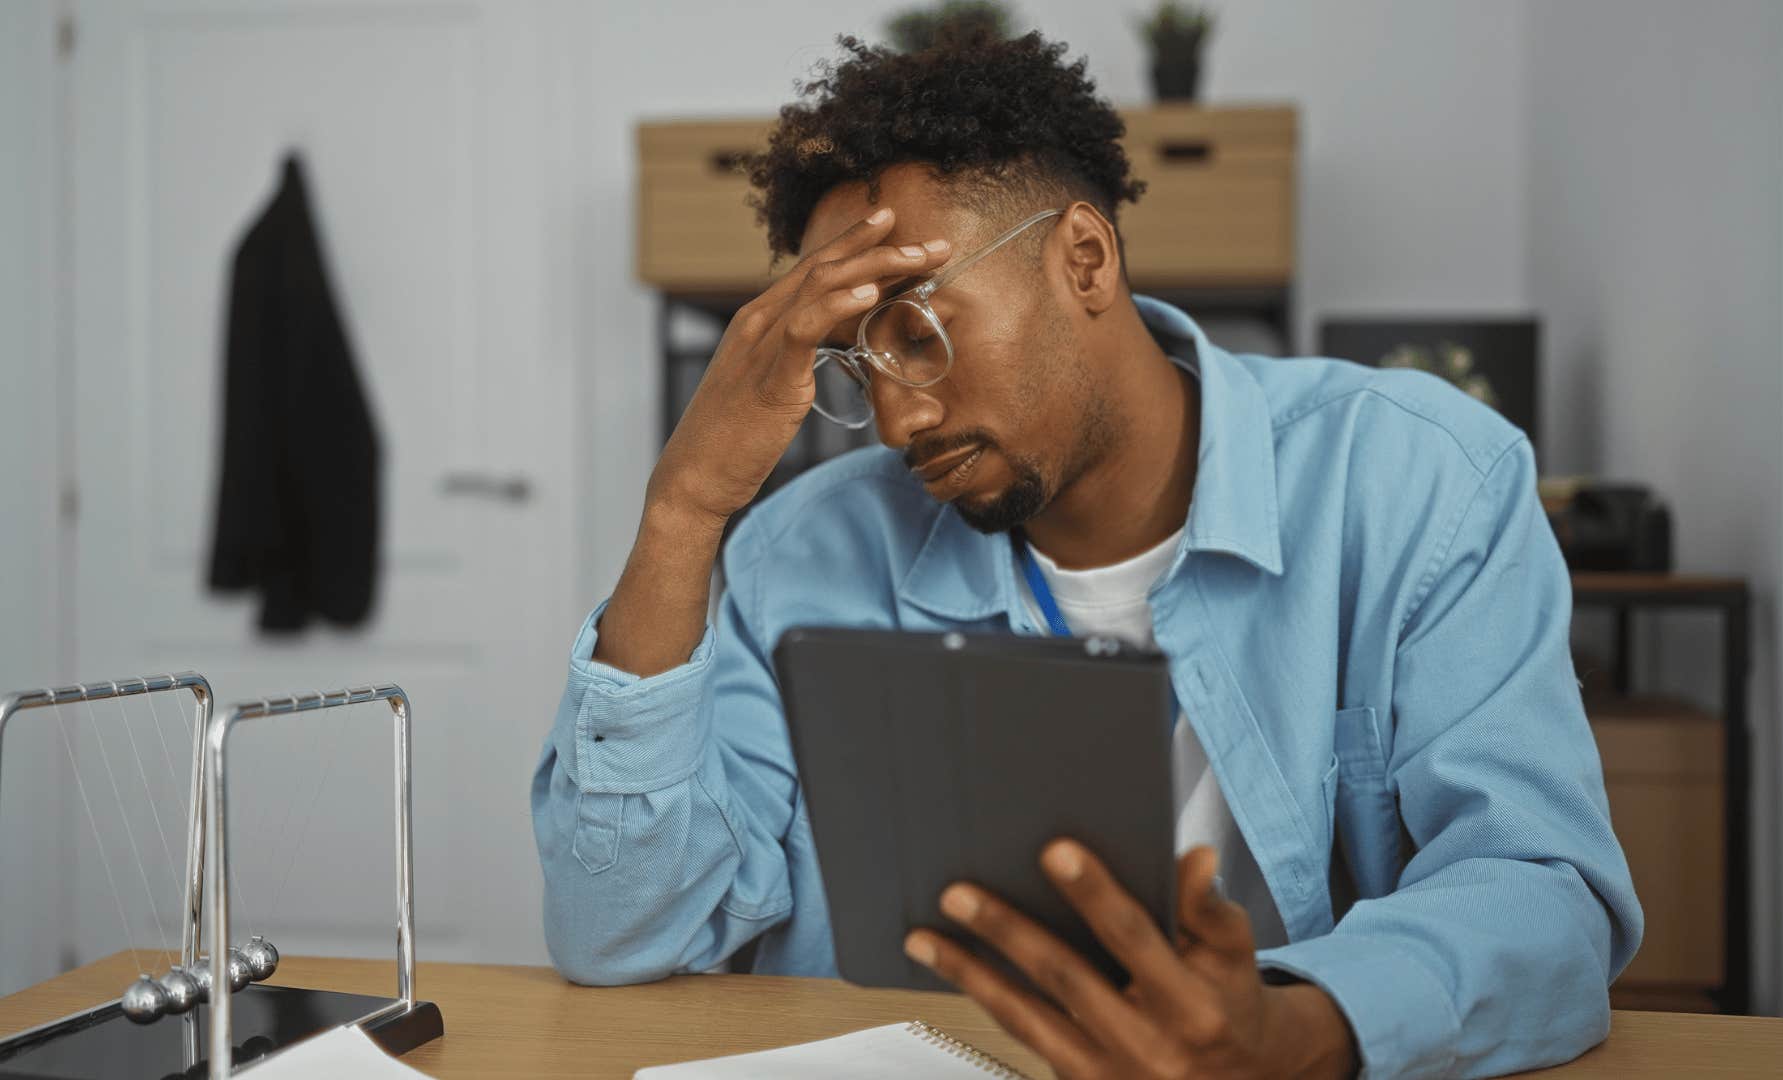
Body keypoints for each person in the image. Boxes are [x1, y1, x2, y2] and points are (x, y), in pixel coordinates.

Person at [533, 29, 1641, 1079]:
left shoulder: (1418, 483)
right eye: (855, 366)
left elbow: (1543, 895)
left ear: (1084, 257)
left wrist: (1296, 1032)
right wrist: (683, 511)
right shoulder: (803, 552)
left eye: (918, 332)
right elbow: (621, 928)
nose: (901, 421)